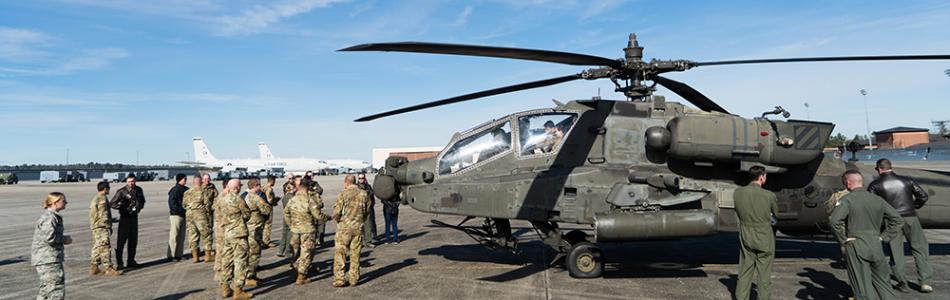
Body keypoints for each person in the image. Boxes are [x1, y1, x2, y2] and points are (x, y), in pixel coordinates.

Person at [831, 170, 904, 300]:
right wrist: (884, 237)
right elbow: (897, 219)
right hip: (876, 243)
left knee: (862, 287)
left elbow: (834, 221)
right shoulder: (877, 199)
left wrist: (843, 239)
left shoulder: (847, 199)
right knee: (884, 284)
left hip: (856, 244)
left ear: (848, 183)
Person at [868, 158, 933, 293]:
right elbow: (923, 196)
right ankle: (925, 282)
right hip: (911, 217)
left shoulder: (875, 185)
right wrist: (913, 206)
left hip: (891, 221)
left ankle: (902, 283)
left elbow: (871, 206)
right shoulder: (907, 180)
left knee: (896, 253)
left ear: (879, 169)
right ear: (890, 167)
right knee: (920, 249)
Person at [733, 166, 778, 300]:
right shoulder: (769, 195)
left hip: (746, 234)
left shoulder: (738, 193)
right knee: (764, 276)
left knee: (744, 272)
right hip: (764, 236)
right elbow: (776, 216)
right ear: (761, 177)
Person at [285, 177, 327, 285]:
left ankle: (297, 270)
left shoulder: (292, 199)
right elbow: (317, 215)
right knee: (306, 253)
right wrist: (328, 218)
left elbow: (286, 214)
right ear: (308, 187)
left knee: (296, 252)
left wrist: (291, 225)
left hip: (295, 231)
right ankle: (301, 276)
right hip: (307, 231)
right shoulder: (309, 200)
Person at [332, 174, 371, 287]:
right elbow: (367, 210)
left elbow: (336, 213)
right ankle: (353, 279)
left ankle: (340, 278)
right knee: (355, 254)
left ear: (346, 183)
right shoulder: (364, 194)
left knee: (340, 253)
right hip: (357, 228)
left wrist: (338, 219)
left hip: (344, 228)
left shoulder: (343, 194)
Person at [218, 179, 253, 299]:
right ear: (237, 188)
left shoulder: (222, 199)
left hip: (228, 233)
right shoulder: (238, 199)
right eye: (240, 186)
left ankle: (225, 287)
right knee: (240, 262)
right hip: (238, 234)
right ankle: (238, 290)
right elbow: (247, 214)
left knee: (226, 261)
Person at [32, 192, 71, 300]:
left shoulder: (52, 216)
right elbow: (49, 238)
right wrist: (64, 239)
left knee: (45, 291)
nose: (66, 203)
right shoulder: (50, 218)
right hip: (48, 259)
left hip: (47, 258)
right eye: (64, 201)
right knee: (55, 290)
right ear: (55, 202)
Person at [111, 174, 145, 269]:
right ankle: (120, 263)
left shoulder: (139, 190)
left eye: (133, 181)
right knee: (121, 241)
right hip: (124, 218)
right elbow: (112, 203)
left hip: (134, 218)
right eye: (129, 181)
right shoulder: (122, 191)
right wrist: (123, 207)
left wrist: (138, 207)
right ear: (126, 181)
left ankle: (131, 261)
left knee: (133, 241)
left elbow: (142, 201)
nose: (131, 183)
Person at [241, 178, 269, 286]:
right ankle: (250, 276)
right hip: (255, 229)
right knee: (254, 253)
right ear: (255, 186)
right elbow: (266, 210)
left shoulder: (242, 196)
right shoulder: (255, 197)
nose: (260, 187)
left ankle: (251, 275)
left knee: (247, 253)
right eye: (259, 185)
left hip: (246, 228)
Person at [89, 181, 121, 276]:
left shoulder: (97, 198)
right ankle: (108, 268)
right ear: (105, 189)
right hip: (101, 227)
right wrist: (107, 224)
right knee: (104, 247)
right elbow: (103, 215)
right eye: (108, 188)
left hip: (96, 226)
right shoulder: (101, 199)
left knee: (97, 247)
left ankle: (94, 266)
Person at [184, 175, 212, 263]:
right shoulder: (203, 191)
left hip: (189, 215)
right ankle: (208, 256)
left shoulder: (187, 192)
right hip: (200, 214)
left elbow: (184, 204)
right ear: (201, 182)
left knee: (192, 236)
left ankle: (195, 257)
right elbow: (207, 204)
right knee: (206, 234)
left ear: (193, 182)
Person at [278, 175, 302, 257]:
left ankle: (281, 250)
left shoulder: (285, 197)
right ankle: (288, 250)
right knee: (290, 234)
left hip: (285, 216)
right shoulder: (291, 198)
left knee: (284, 233)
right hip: (291, 217)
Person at [166, 173, 188, 262]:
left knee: (181, 236)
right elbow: (172, 204)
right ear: (180, 179)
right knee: (174, 236)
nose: (185, 180)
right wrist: (182, 210)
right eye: (184, 179)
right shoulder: (175, 190)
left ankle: (179, 254)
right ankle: (171, 255)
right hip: (176, 216)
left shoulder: (186, 189)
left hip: (183, 215)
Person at [200, 173, 219, 263]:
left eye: (208, 178)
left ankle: (208, 252)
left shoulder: (212, 187)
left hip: (209, 213)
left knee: (209, 232)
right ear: (202, 180)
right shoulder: (199, 188)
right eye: (205, 179)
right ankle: (199, 254)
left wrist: (213, 207)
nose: (207, 180)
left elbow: (216, 198)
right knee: (202, 233)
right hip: (200, 214)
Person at [304, 171, 326, 246]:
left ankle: (320, 239)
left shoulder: (315, 183)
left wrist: (313, 190)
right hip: (309, 208)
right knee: (312, 225)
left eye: (312, 175)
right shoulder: (304, 184)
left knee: (321, 223)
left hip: (317, 206)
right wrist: (313, 191)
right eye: (309, 176)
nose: (311, 177)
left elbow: (320, 190)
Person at [357, 173, 378, 248]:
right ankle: (360, 242)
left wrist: (367, 192)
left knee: (368, 226)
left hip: (368, 208)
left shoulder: (368, 186)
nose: (361, 179)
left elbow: (372, 193)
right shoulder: (356, 187)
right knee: (359, 227)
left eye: (362, 178)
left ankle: (368, 242)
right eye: (360, 178)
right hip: (358, 209)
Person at [262, 176, 279, 247]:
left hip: (262, 208)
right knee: (268, 225)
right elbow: (270, 200)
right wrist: (275, 200)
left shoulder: (263, 187)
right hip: (268, 208)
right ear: (272, 181)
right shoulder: (269, 189)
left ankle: (261, 240)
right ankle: (266, 241)